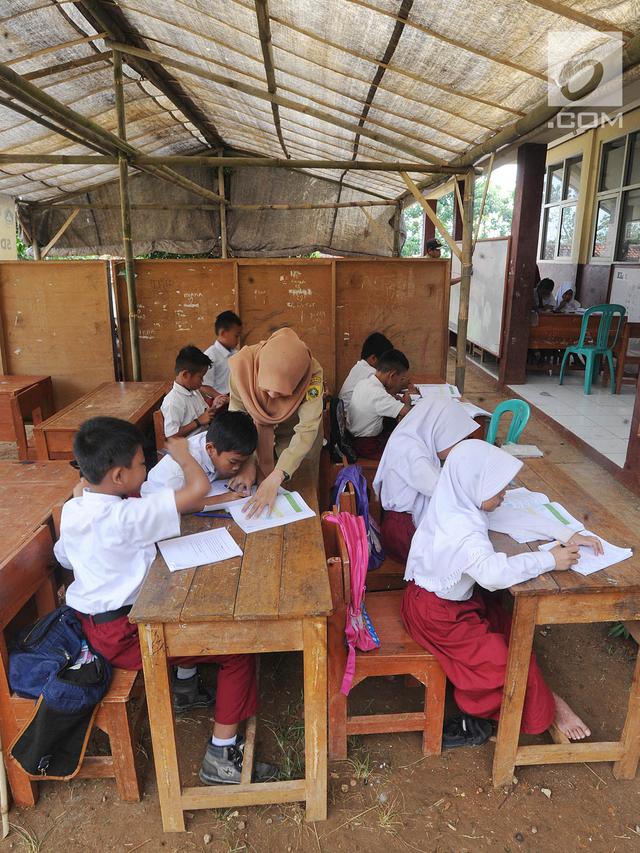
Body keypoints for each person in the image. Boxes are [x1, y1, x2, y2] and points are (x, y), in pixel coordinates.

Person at [54, 417, 275, 784]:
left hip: (97, 625)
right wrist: (184, 455)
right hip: (126, 633)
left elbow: (64, 557)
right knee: (239, 649)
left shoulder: (78, 508)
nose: (147, 469)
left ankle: (187, 689)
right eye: (142, 464)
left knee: (187, 601)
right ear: (120, 476)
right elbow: (197, 490)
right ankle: (221, 756)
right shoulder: (128, 514)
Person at [401, 440, 603, 747]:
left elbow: (508, 518)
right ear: (474, 484)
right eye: (497, 489)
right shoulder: (464, 531)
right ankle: (538, 704)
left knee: (509, 629)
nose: (503, 495)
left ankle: (539, 689)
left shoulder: (456, 501)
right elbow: (493, 574)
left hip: (441, 603)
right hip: (436, 615)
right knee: (506, 664)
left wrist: (566, 533)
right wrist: (550, 559)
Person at [227, 327, 324, 518]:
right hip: (253, 437)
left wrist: (278, 475)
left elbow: (307, 428)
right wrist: (246, 461)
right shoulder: (242, 367)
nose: (272, 396)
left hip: (296, 440)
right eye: (266, 387)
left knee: (299, 496)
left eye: (282, 393)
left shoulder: (311, 375)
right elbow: (238, 419)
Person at [372, 398, 478, 563]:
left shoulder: (412, 440)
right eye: (456, 441)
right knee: (462, 558)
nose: (458, 448)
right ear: (441, 431)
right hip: (404, 533)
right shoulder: (414, 452)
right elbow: (441, 490)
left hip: (401, 525)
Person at [142, 410, 257, 505]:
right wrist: (222, 499)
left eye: (242, 463)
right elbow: (177, 506)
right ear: (210, 449)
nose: (237, 468)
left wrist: (247, 467)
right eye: (233, 462)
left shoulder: (218, 443)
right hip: (160, 505)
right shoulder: (178, 471)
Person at [346, 348, 411, 460]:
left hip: (353, 437)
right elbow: (406, 412)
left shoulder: (364, 382)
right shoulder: (378, 394)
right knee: (404, 453)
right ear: (392, 375)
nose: (402, 383)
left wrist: (392, 396)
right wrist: (408, 400)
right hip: (366, 446)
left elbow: (378, 400)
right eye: (401, 379)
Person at [161, 344, 226, 438]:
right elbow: (172, 436)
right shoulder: (173, 401)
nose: (202, 381)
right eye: (200, 377)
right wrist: (198, 422)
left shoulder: (194, 392)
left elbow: (204, 416)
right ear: (185, 375)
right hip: (190, 447)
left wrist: (214, 407)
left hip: (204, 437)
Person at [338, 332, 393, 409]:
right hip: (350, 417)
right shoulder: (371, 373)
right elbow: (385, 398)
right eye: (385, 362)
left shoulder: (359, 367)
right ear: (373, 358)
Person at [203, 311, 243, 406]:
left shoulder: (236, 353)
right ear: (223, 333)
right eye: (236, 336)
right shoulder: (210, 355)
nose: (238, 340)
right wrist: (222, 398)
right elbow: (204, 386)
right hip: (218, 403)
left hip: (234, 399)